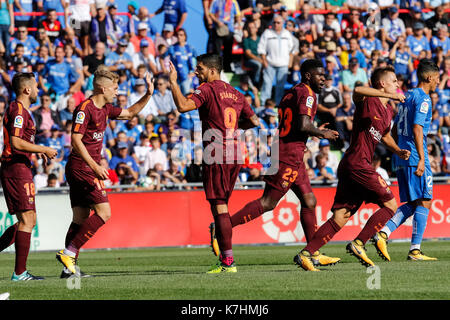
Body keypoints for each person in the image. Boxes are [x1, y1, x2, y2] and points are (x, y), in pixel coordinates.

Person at [213, 59, 341, 268]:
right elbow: (302, 124)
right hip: (287, 156)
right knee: (268, 203)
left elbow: (296, 125)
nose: (324, 80)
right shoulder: (307, 94)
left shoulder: (292, 92)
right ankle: (222, 227)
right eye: (320, 75)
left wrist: (313, 130)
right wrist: (321, 132)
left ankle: (313, 253)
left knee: (309, 201)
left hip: (291, 153)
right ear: (308, 75)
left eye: (325, 76)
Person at [294, 66, 411, 271]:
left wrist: (398, 150)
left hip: (352, 165)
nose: (397, 85)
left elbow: (384, 135)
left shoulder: (388, 110)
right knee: (391, 205)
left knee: (342, 216)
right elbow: (356, 91)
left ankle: (306, 254)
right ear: (382, 83)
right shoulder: (369, 100)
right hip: (358, 164)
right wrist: (387, 94)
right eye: (393, 81)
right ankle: (359, 243)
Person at [55, 66, 154, 278]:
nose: (117, 92)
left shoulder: (106, 109)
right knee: (104, 213)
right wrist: (94, 165)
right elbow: (75, 139)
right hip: (82, 167)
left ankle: (68, 269)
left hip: (83, 167)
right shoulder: (85, 108)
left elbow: (129, 113)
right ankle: (69, 253)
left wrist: (148, 94)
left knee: (80, 218)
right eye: (114, 88)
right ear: (102, 88)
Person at [168, 53, 259, 273]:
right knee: (221, 207)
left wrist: (172, 81)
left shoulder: (207, 89)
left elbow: (182, 106)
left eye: (199, 69)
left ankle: (228, 261)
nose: (196, 72)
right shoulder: (237, 93)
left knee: (219, 207)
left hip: (217, 152)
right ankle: (225, 257)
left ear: (212, 70)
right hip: (236, 152)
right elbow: (254, 120)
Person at [377, 60, 441, 261]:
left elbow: (395, 128)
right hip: (414, 156)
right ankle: (414, 249)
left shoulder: (407, 96)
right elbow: (417, 128)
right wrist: (422, 158)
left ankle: (384, 234)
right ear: (429, 77)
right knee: (425, 200)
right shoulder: (423, 99)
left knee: (415, 203)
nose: (439, 82)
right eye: (438, 78)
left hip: (403, 156)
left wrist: (397, 150)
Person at [0, 72, 57, 281]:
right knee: (27, 219)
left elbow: (21, 142)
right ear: (27, 89)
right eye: (36, 87)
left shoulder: (23, 111)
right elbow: (15, 142)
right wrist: (43, 147)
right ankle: (19, 273)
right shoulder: (18, 110)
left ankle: (20, 271)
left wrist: (35, 151)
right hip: (15, 168)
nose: (38, 90)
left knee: (29, 220)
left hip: (20, 167)